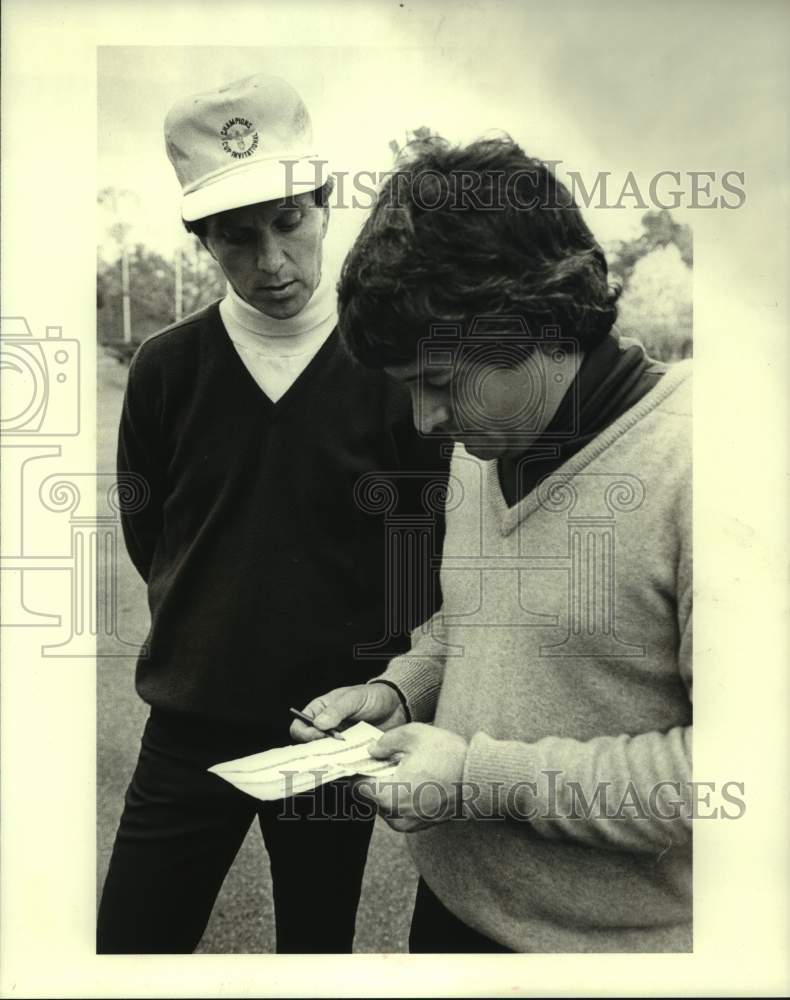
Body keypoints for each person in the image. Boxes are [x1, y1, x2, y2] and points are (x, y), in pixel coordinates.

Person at [291, 136, 693, 953]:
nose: (425, 422)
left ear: (542, 320)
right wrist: (401, 690)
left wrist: (476, 780)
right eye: (409, 389)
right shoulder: (488, 445)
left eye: (441, 381)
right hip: (449, 919)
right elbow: (474, 627)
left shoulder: (709, 466)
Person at [97, 74, 447, 954]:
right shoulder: (166, 370)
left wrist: (377, 682)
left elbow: (428, 548)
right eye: (237, 236)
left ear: (326, 205)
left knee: (316, 950)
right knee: (132, 944)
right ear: (202, 239)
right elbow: (154, 536)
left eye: (290, 221)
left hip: (328, 734)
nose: (272, 262)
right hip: (189, 729)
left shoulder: (390, 370)